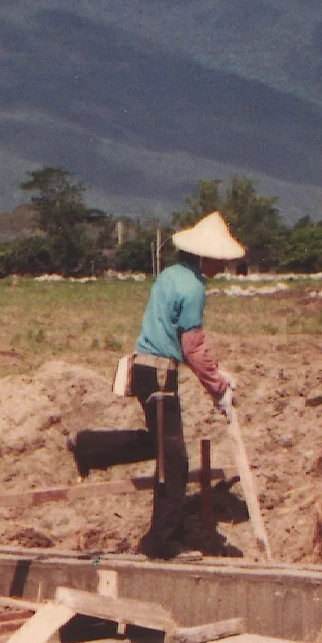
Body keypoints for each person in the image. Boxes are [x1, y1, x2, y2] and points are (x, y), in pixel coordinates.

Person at [71, 211, 245, 558]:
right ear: (204, 256)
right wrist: (218, 388)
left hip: (144, 370)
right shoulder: (193, 287)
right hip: (160, 374)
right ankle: (162, 542)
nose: (220, 267)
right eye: (218, 260)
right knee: (174, 462)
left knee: (161, 446)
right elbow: (192, 345)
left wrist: (216, 375)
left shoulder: (169, 275)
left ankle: (88, 446)